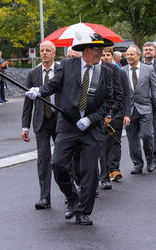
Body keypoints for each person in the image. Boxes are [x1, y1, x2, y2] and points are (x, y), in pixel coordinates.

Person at [25, 33, 114, 226]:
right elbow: (54, 84)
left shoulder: (105, 72)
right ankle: (73, 197)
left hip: (92, 128)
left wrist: (91, 119)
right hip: (68, 124)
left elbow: (109, 101)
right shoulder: (67, 66)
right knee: (58, 164)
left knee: (89, 171)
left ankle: (83, 211)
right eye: (99, 50)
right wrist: (39, 91)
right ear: (87, 50)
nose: (101, 54)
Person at [22, 41, 60, 210]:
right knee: (43, 160)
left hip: (60, 120)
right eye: (42, 51)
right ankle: (45, 197)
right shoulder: (33, 74)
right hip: (41, 121)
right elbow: (27, 102)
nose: (44, 53)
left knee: (64, 160)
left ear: (54, 53)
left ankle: (71, 194)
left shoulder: (62, 71)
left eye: (47, 50)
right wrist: (25, 126)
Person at [122, 45, 156, 174]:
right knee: (132, 139)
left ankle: (150, 160)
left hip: (145, 108)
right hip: (129, 111)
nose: (129, 57)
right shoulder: (122, 71)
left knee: (147, 136)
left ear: (138, 56)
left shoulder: (148, 69)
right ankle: (137, 164)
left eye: (131, 54)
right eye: (127, 55)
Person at [99, 46, 129, 188]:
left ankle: (114, 169)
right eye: (102, 55)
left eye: (107, 55)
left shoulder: (116, 70)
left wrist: (114, 113)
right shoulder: (94, 69)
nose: (105, 57)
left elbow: (121, 94)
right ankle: (105, 173)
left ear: (112, 56)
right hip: (98, 115)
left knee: (114, 142)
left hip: (114, 114)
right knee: (102, 145)